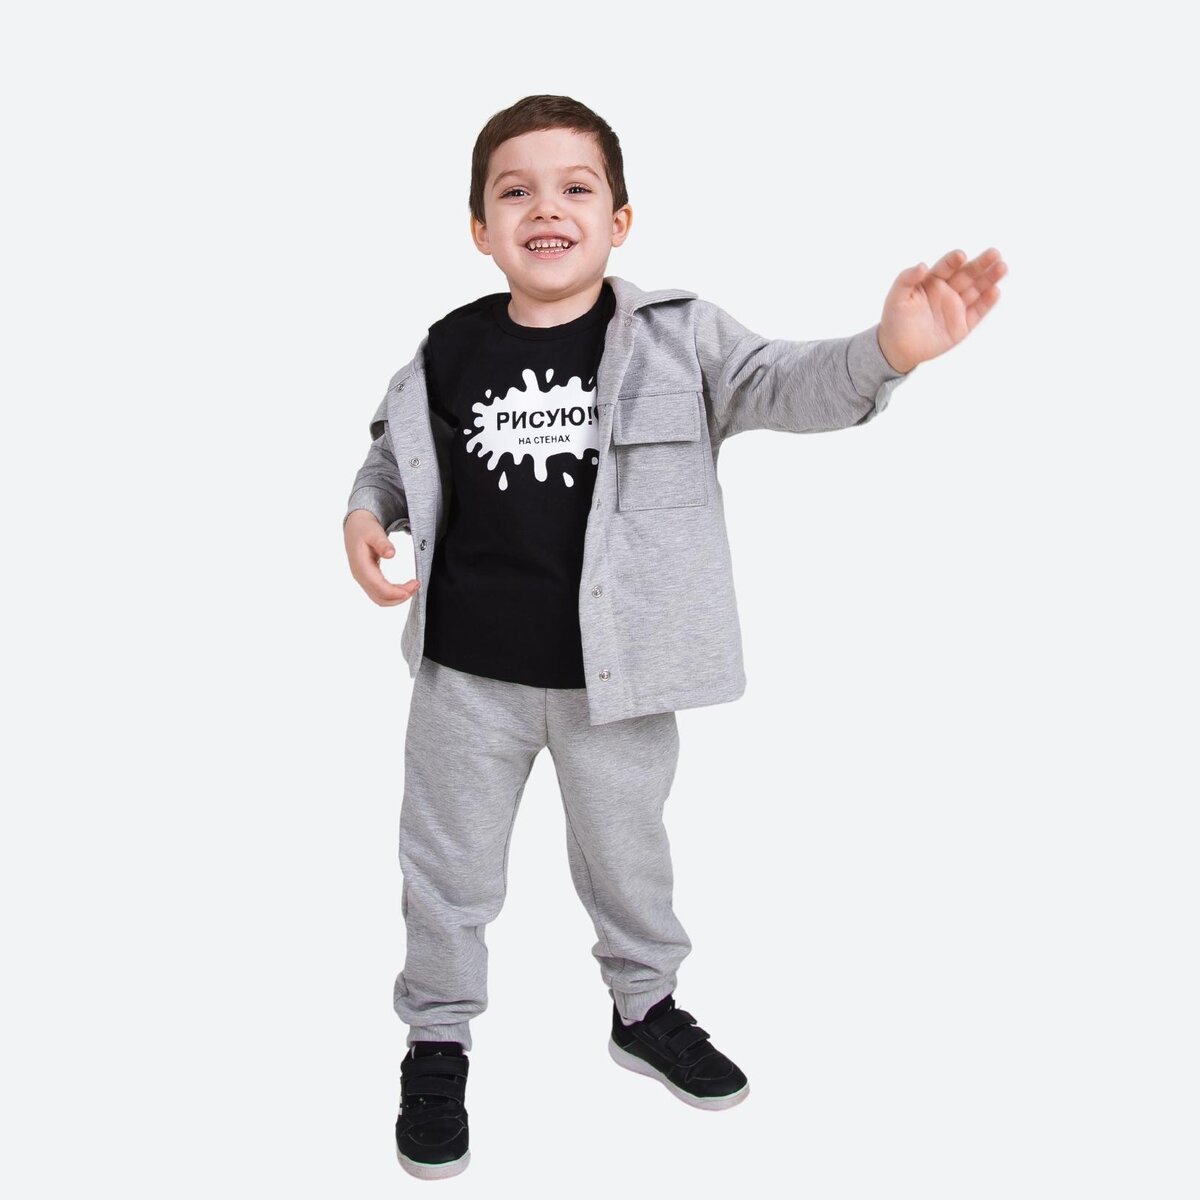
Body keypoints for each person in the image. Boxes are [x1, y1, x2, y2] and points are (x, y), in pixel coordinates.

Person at [342, 93, 1006, 1180]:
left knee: (630, 860)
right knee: (446, 870)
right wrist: (367, 514)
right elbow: (390, 456)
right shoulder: (444, 348)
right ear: (480, 229)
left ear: (619, 221)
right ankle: (438, 1039)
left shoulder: (679, 338)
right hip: (465, 679)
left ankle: (643, 1009)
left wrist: (888, 350)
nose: (545, 208)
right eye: (515, 191)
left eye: (575, 188)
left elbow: (785, 383)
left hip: (620, 682)